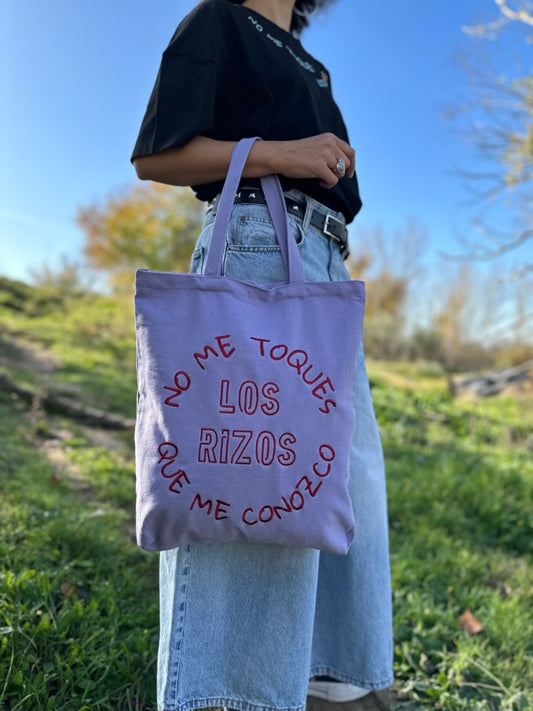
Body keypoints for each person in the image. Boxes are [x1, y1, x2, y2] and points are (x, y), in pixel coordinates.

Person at [131, 1, 394, 710]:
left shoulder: (313, 63)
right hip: (251, 240)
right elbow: (157, 155)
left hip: (324, 264)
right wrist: (283, 152)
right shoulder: (218, 19)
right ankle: (225, 691)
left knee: (333, 479)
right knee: (247, 465)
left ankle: (315, 678)